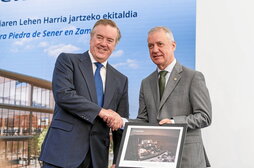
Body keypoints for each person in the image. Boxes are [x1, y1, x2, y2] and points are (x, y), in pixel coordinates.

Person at [39, 19, 129, 168]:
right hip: (62, 153)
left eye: (109, 40)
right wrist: (101, 112)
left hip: (97, 158)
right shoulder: (67, 60)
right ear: (91, 38)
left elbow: (120, 121)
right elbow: (64, 95)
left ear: (114, 45)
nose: (103, 43)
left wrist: (117, 160)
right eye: (99, 37)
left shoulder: (121, 80)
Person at [135, 26, 212, 168]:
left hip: (188, 160)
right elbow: (143, 120)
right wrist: (121, 122)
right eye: (150, 46)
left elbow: (204, 116)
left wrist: (173, 122)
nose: (155, 50)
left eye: (160, 44)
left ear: (173, 45)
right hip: (156, 160)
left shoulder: (193, 77)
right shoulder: (145, 83)